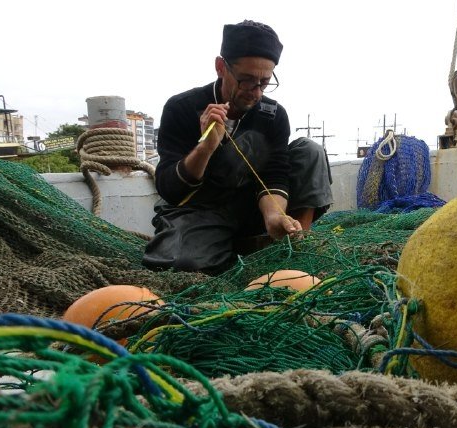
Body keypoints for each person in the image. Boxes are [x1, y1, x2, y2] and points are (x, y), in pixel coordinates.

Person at [143, 20, 334, 275]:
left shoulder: (274, 115)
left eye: (264, 82)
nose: (255, 92)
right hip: (201, 211)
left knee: (310, 150)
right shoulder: (181, 107)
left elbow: (274, 173)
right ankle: (234, 245)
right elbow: (170, 190)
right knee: (181, 265)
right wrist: (205, 148)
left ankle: (292, 247)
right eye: (246, 80)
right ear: (221, 67)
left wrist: (274, 216)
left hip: (253, 209)